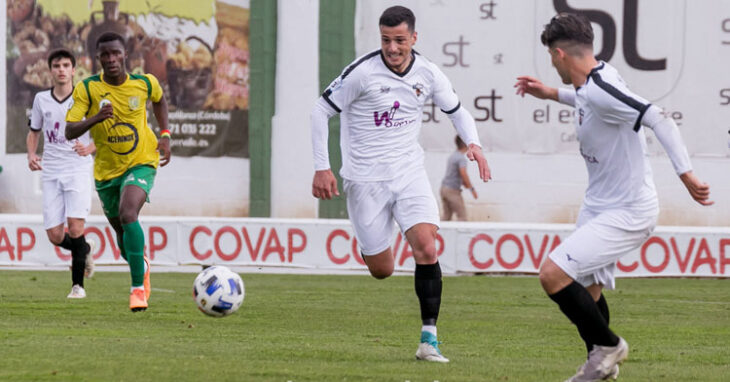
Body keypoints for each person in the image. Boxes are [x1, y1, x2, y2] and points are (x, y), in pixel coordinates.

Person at [515, 13, 712, 381]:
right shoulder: (595, 81)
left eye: (550, 57)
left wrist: (686, 174)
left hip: (628, 209)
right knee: (587, 292)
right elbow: (587, 98)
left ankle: (608, 347)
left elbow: (659, 117)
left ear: (559, 54)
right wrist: (550, 93)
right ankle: (600, 365)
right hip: (599, 204)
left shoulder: (603, 86)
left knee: (552, 275)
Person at [311, 6, 491, 363]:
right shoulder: (361, 73)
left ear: (414, 38)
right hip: (365, 180)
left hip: (409, 172)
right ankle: (372, 244)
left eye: (399, 40)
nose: (392, 48)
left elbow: (457, 110)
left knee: (427, 246)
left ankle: (429, 341)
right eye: (385, 40)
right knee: (383, 270)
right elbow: (320, 110)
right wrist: (322, 167)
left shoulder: (428, 72)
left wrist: (474, 143)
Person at [66, 32, 171, 312]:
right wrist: (96, 118)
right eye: (105, 55)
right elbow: (69, 130)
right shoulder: (87, 89)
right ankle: (142, 264)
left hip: (142, 160)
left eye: (115, 53)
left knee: (129, 214)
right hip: (106, 172)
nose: (111, 59)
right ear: (97, 58)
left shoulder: (145, 82)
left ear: (126, 55)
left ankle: (137, 289)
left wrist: (165, 134)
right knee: (123, 238)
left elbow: (160, 101)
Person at [27, 49, 96, 299]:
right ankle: (84, 250)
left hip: (77, 168)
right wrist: (31, 154)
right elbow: (34, 131)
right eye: (56, 65)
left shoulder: (85, 98)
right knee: (55, 235)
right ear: (50, 70)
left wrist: (90, 147)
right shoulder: (41, 99)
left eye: (66, 65)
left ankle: (77, 287)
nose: (61, 70)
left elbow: (103, 132)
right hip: (52, 171)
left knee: (75, 227)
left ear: (74, 70)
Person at [440, 136, 478, 221]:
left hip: (444, 188)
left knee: (446, 217)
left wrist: (464, 183)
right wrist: (472, 189)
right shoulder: (461, 158)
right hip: (452, 191)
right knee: (462, 217)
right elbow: (463, 174)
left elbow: (457, 174)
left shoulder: (453, 156)